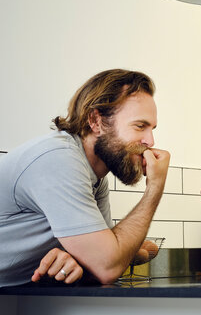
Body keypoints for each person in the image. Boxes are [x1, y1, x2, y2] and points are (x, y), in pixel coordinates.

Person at [0, 69, 170, 287]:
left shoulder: (95, 178)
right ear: (96, 121)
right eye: (140, 126)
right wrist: (155, 186)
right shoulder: (58, 159)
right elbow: (108, 265)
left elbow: (107, 257)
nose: (150, 140)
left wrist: (80, 260)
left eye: (152, 129)